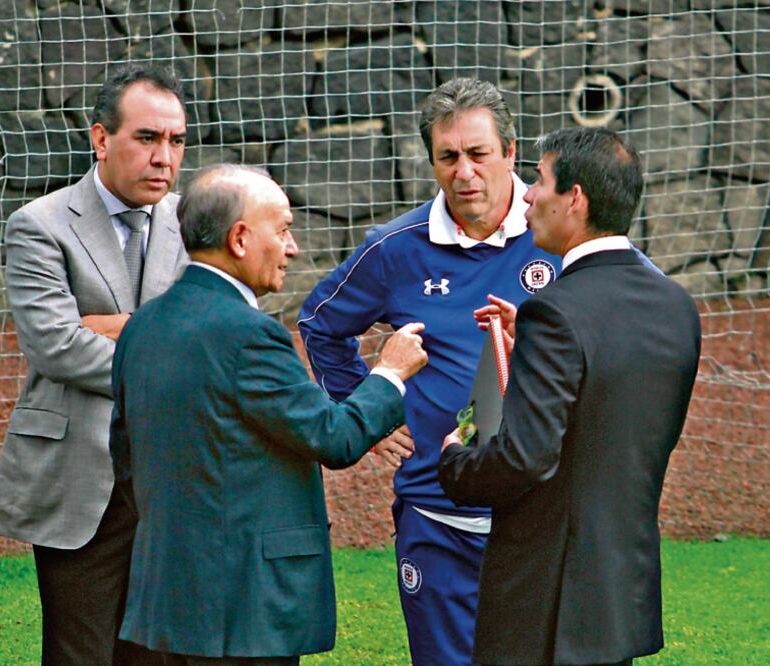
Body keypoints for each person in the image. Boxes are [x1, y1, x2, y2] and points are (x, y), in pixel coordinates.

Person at [109, 164, 428, 665]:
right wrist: (389, 372)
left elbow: (126, 459)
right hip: (245, 607)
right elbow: (335, 438)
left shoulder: (142, 327)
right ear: (239, 239)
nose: (293, 247)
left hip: (169, 597)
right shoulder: (250, 334)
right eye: (282, 230)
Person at [297, 77, 563, 665]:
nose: (463, 171)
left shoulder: (561, 232)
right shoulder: (395, 248)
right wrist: (362, 412)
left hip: (540, 510)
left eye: (478, 154)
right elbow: (319, 320)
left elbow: (625, 293)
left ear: (511, 152)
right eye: (448, 157)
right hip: (436, 513)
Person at [438, 126, 702, 666]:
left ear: (574, 199)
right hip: (618, 595)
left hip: (547, 605)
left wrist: (454, 462)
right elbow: (616, 420)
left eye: (540, 180)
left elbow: (525, 458)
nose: (528, 194)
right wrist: (533, 349)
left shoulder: (556, 312)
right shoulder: (676, 305)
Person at [0, 63, 189, 665]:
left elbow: (217, 335)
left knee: (156, 654)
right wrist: (169, 348)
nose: (164, 158)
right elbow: (57, 347)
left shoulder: (193, 221)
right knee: (80, 655)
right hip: (80, 481)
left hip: (171, 481)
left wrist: (122, 329)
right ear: (101, 139)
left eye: (175, 141)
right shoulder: (40, 225)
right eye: (147, 138)